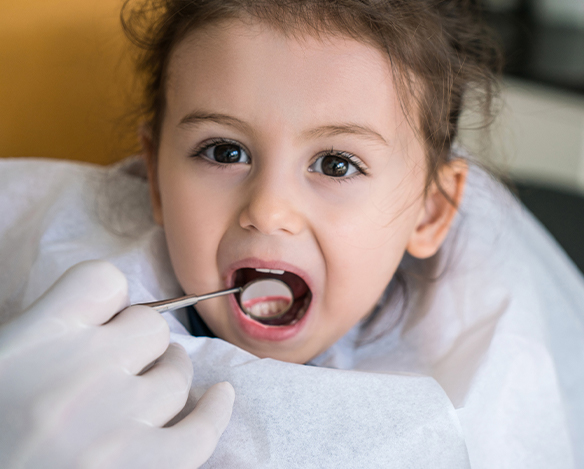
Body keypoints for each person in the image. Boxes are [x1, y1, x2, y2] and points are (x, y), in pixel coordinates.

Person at [1, 0, 583, 467]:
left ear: (428, 213)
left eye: (336, 164)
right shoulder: (37, 281)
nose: (270, 209)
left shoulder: (487, 376)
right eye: (224, 151)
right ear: (154, 177)